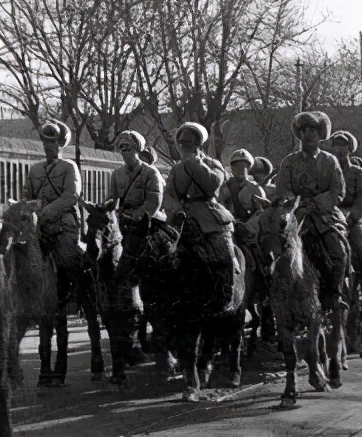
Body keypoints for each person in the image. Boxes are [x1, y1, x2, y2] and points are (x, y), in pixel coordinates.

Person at [275, 111, 348, 384]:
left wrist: (317, 202)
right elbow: (281, 188)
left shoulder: (330, 161)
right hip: (295, 216)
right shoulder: (289, 162)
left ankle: (335, 292)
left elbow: (337, 190)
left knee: (337, 249)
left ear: (321, 135)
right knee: (277, 248)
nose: (308, 134)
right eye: (304, 130)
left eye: (313, 130)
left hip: (324, 215)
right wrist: (293, 203)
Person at [22, 119, 94, 310]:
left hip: (63, 223)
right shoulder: (35, 169)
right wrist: (27, 207)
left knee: (66, 258)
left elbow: (71, 196)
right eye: (45, 142)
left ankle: (79, 296)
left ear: (61, 144)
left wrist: (46, 211)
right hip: (39, 224)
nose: (48, 146)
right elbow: (27, 195)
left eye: (52, 142)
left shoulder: (69, 167)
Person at [108, 130, 165, 363]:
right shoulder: (117, 174)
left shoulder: (150, 172)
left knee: (165, 263)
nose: (125, 153)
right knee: (115, 270)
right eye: (122, 149)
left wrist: (138, 216)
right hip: (126, 228)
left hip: (150, 225)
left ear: (138, 149)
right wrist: (109, 214)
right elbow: (113, 201)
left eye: (129, 148)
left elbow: (154, 201)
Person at [162, 122, 240, 277]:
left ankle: (228, 295)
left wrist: (193, 161)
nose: (183, 146)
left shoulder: (212, 164)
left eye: (188, 142)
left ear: (198, 143)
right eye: (181, 142)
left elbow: (212, 185)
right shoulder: (176, 168)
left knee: (225, 257)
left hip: (210, 218)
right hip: (182, 218)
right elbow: (170, 195)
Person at [329, 130, 362, 358]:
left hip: (353, 219)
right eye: (336, 147)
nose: (339, 151)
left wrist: (353, 217)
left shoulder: (358, 173)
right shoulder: (327, 170)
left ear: (349, 150)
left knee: (361, 247)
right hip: (330, 217)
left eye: (343, 147)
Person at [219, 149, 266, 223]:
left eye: (243, 167)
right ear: (232, 168)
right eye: (237, 166)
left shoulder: (255, 188)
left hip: (248, 227)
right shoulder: (225, 186)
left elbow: (261, 212)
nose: (240, 170)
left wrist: (248, 225)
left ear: (248, 168)